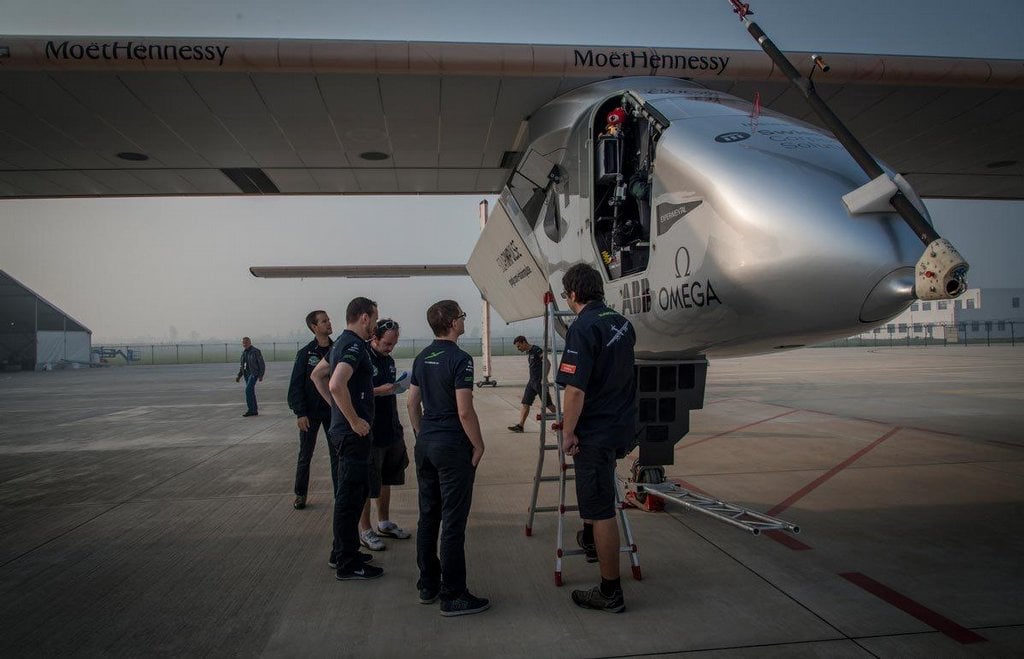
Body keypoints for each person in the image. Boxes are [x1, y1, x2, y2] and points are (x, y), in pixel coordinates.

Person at [555, 263, 637, 614]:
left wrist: (569, 431)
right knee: (598, 496)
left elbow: (574, 391)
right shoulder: (622, 323)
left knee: (601, 509)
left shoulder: (583, 327)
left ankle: (610, 591)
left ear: (572, 294)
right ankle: (589, 540)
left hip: (596, 432)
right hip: (622, 425)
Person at [407, 300, 489, 617]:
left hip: (426, 443)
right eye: (463, 316)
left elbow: (412, 403)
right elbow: (464, 410)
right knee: (453, 523)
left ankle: (428, 584)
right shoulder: (461, 359)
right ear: (454, 322)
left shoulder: (422, 356)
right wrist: (478, 445)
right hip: (452, 447)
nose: (464, 321)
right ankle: (453, 594)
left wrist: (420, 434)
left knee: (429, 516)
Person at [310, 297, 382, 581]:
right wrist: (352, 419)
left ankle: (342, 551)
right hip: (353, 435)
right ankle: (347, 564)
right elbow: (335, 383)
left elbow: (317, 375)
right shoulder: (353, 345)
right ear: (364, 317)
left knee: (350, 495)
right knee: (350, 498)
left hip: (344, 432)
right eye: (374, 319)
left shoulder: (340, 342)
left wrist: (337, 411)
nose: (375, 325)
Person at [358, 318, 412, 551]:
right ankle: (365, 530)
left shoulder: (388, 361)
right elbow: (353, 392)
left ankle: (384, 522)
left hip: (390, 428)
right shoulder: (362, 359)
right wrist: (380, 390)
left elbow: (390, 390)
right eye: (387, 343)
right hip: (370, 431)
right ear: (374, 338)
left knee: (386, 479)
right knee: (366, 484)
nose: (390, 348)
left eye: (394, 344)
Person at [287, 310, 334, 510]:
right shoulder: (305, 353)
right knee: (305, 454)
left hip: (334, 411)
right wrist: (300, 413)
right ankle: (300, 493)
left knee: (338, 454)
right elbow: (295, 386)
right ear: (314, 327)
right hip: (310, 413)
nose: (329, 323)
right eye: (324, 321)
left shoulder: (339, 349)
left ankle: (340, 493)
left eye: (328, 319)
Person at [506, 335, 555, 433]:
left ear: (524, 342)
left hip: (540, 382)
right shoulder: (529, 353)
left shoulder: (537, 350)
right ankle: (520, 426)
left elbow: (547, 363)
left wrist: (544, 378)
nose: (518, 349)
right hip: (531, 382)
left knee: (548, 404)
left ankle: (563, 421)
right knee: (525, 403)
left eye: (519, 346)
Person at [235, 337, 265, 417]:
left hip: (253, 374)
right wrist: (239, 376)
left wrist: (261, 375)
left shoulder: (256, 351)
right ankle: (254, 410)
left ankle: (251, 410)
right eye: (243, 343)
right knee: (251, 392)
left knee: (248, 390)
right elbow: (242, 366)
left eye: (246, 342)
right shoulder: (244, 353)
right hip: (246, 374)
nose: (245, 344)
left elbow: (261, 364)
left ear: (250, 342)